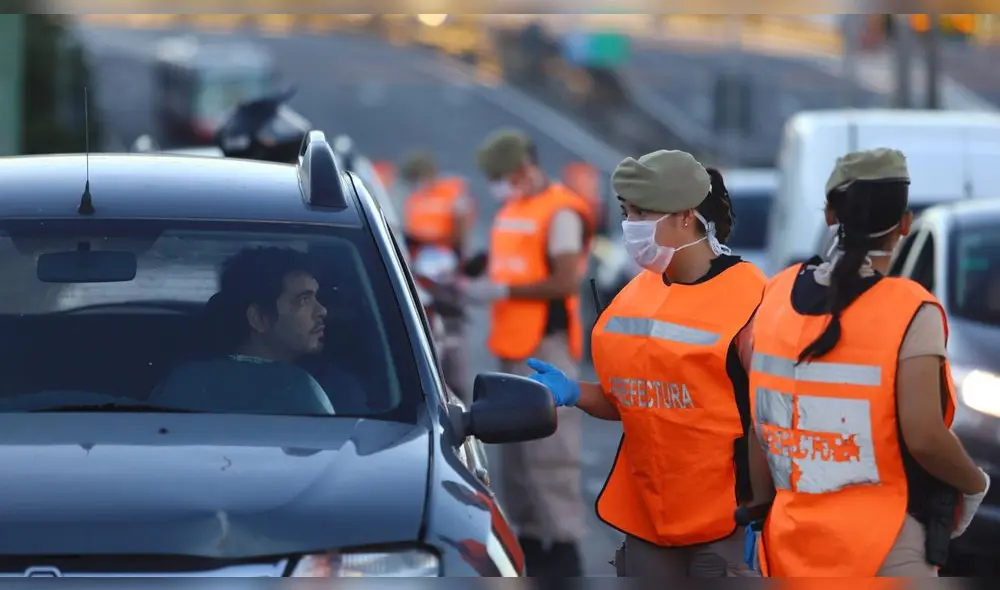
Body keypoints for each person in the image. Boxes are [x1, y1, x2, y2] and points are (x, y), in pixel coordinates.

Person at [746, 148, 989, 577]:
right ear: (906, 224)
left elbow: (761, 426)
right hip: (883, 548)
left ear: (829, 215)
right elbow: (926, 438)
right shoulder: (911, 309)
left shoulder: (775, 294)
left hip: (787, 545)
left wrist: (760, 509)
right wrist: (973, 484)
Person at [526, 149, 769, 577]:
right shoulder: (636, 295)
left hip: (726, 522)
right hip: (647, 519)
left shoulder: (751, 298)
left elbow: (769, 420)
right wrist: (574, 391)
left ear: (685, 216)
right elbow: (632, 400)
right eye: (626, 212)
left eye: (642, 213)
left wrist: (764, 508)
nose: (630, 226)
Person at [467, 128, 594, 577]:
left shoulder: (560, 211)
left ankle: (563, 546)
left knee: (551, 455)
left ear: (524, 168)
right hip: (511, 344)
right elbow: (506, 258)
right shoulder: (515, 208)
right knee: (517, 459)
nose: (497, 185)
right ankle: (530, 540)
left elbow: (564, 281)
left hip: (545, 346)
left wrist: (501, 289)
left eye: (502, 176)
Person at [150, 246, 338, 416]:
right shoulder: (305, 392)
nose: (322, 311)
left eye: (316, 298)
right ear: (259, 318)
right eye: (303, 300)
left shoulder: (184, 383)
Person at [401, 150, 474, 261]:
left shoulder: (452, 190)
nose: (419, 182)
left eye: (420, 176)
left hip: (446, 252)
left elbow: (462, 222)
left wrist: (460, 252)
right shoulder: (414, 197)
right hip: (418, 252)